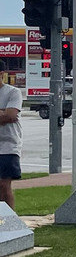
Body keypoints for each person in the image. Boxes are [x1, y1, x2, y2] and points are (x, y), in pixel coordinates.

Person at [0, 59, 23, 211]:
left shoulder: (13, 92)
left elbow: (10, 116)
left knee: (3, 184)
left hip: (8, 146)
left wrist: (5, 114)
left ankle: (10, 220)